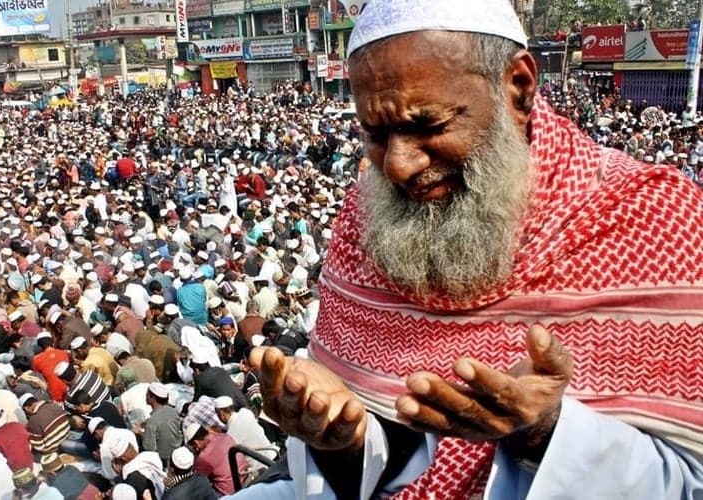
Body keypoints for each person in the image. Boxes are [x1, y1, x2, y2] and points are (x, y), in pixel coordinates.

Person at [239, 1, 703, 498]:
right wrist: (344, 442)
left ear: (518, 88)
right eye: (376, 134)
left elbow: (688, 480)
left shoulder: (652, 214)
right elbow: (386, 442)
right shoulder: (364, 217)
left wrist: (545, 433)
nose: (398, 165)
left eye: (428, 125)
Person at [184, 422, 247, 496]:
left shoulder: (204, 457)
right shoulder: (224, 436)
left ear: (196, 443)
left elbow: (195, 481)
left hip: (229, 493)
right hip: (244, 479)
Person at [140, 382, 183, 465]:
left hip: (163, 459)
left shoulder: (152, 421)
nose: (146, 396)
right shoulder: (173, 411)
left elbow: (149, 448)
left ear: (153, 398)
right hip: (177, 452)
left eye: (147, 394)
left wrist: (141, 434)